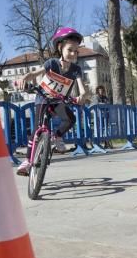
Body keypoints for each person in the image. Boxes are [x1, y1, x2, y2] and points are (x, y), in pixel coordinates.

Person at [13, 27, 91, 175]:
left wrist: (82, 96)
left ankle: (57, 136)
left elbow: (82, 88)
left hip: (58, 101)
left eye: (76, 51)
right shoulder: (52, 63)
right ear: (60, 48)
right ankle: (28, 161)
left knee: (70, 119)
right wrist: (24, 78)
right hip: (43, 98)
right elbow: (35, 73)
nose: (74, 54)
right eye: (70, 50)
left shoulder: (75, 69)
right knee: (37, 129)